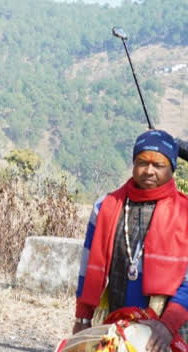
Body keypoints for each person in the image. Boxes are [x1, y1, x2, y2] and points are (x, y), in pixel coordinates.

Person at [74, 129, 188, 348]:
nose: (149, 171)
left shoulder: (184, 213)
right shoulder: (105, 207)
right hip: (119, 324)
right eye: (142, 162)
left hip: (173, 330)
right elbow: (88, 268)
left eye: (159, 165)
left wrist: (167, 325)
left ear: (172, 169)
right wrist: (82, 318)